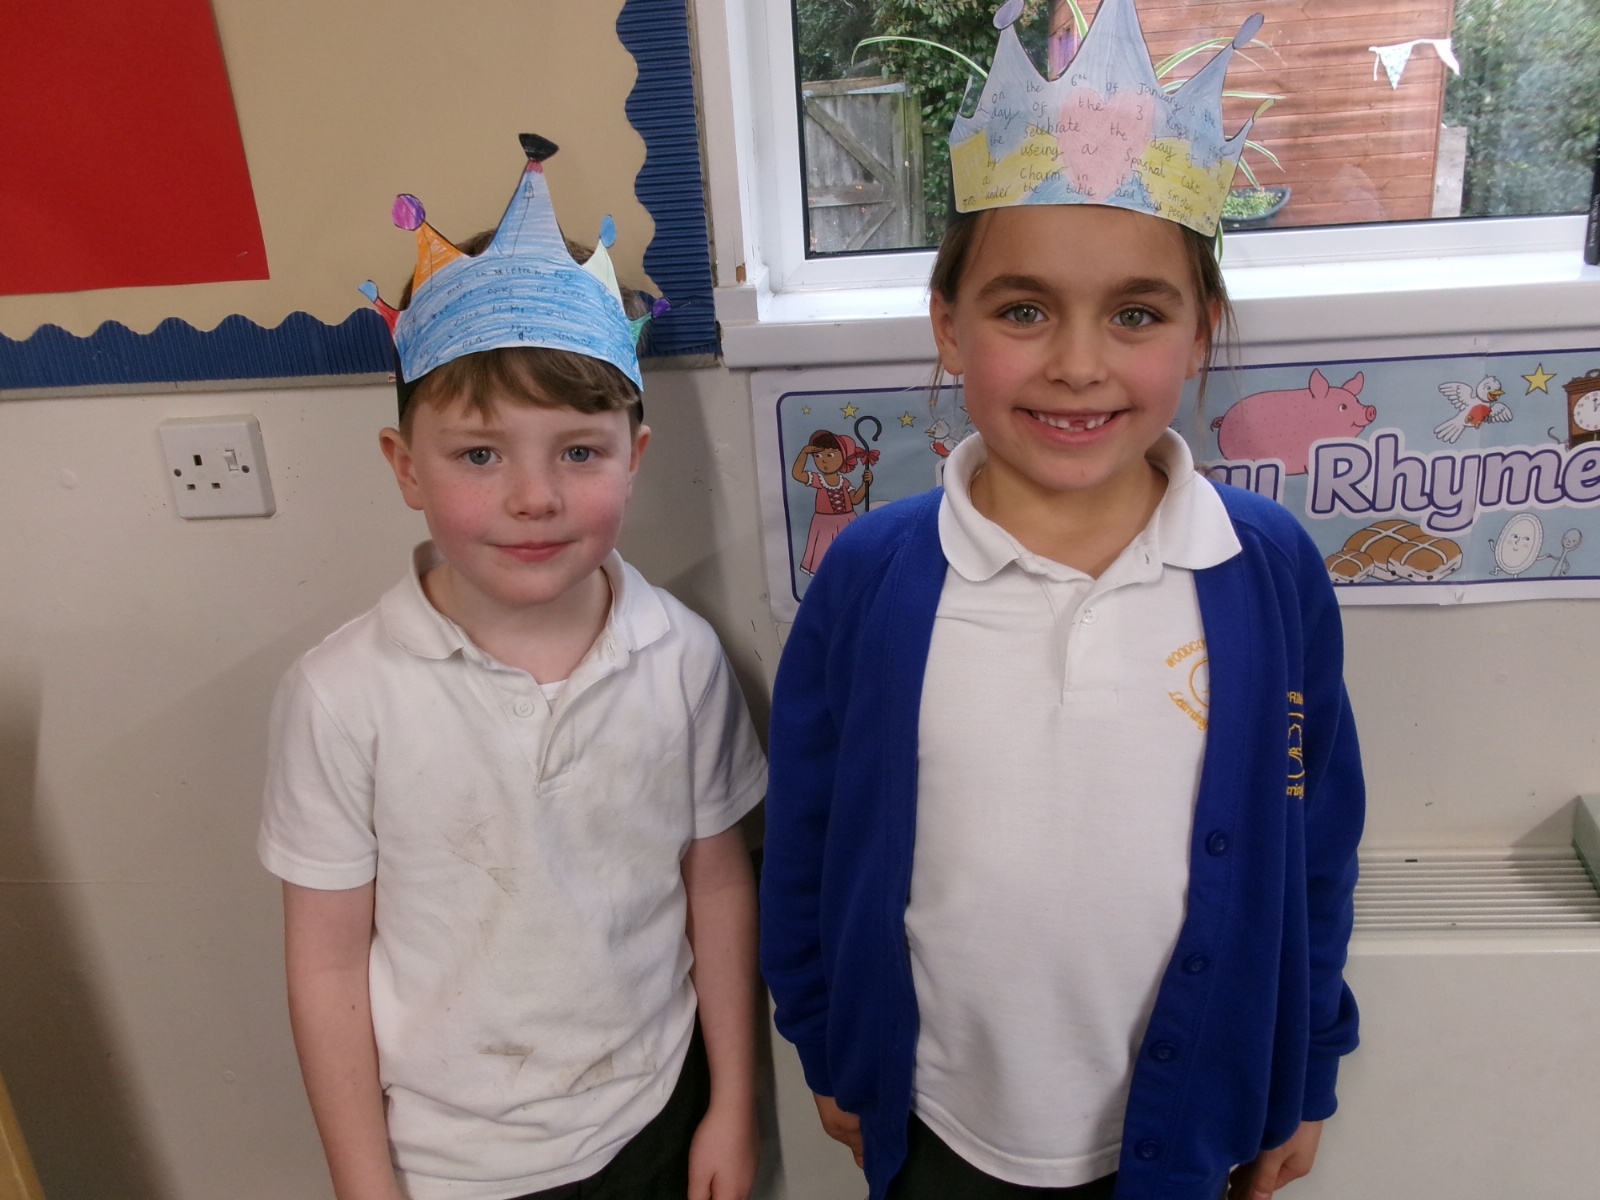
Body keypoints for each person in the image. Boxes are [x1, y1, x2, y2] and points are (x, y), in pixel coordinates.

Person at [758, 4, 1365, 1200]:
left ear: (1199, 333)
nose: (1078, 364)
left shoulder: (1265, 570)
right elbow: (811, 833)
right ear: (948, 326)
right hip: (938, 1119)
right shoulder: (873, 574)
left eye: (1136, 314)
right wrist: (824, 1038)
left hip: (1185, 1123)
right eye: (1022, 310)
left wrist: (1306, 1064)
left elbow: (1316, 844)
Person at [259, 135, 766, 1200]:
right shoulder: (342, 695)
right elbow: (325, 961)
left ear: (634, 456)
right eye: (480, 454)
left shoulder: (679, 656)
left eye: (577, 451)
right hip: (449, 1163)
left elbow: (717, 884)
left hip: (653, 1119)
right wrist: (364, 1182)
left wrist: (731, 1101)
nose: (533, 497)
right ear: (406, 467)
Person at [791, 429, 877, 574]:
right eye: (818, 456)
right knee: (825, 553)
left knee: (849, 551)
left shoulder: (844, 482)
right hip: (825, 524)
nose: (823, 460)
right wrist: (804, 453)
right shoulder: (818, 480)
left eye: (830, 455)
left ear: (843, 457)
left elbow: (855, 499)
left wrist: (865, 484)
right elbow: (797, 474)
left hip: (847, 520)